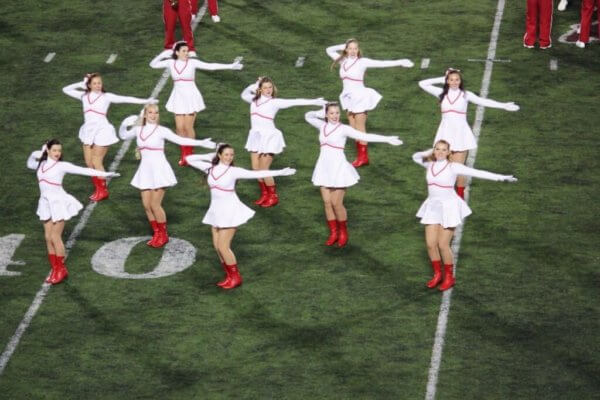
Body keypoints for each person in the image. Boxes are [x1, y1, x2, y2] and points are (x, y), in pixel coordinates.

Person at [186, 144, 296, 289]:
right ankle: (229, 276)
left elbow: (257, 174)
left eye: (232, 155)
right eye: (226, 154)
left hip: (230, 211)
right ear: (219, 155)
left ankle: (235, 277)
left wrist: (280, 172)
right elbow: (189, 158)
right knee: (217, 247)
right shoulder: (209, 168)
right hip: (216, 211)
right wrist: (208, 155)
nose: (229, 157)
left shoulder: (234, 171)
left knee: (223, 247)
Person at [412, 140, 517, 291]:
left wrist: (501, 177)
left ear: (449, 152)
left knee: (443, 245)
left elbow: (478, 173)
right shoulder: (429, 164)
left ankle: (449, 277)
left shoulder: (453, 167)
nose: (440, 152)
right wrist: (429, 151)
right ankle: (437, 275)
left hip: (449, 207)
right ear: (434, 150)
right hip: (433, 206)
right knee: (430, 244)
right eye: (437, 149)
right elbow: (415, 157)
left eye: (444, 150)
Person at [304, 103, 403, 248]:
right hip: (324, 168)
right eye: (331, 113)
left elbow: (364, 135)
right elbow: (308, 116)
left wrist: (387, 139)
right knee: (327, 202)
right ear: (326, 115)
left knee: (336, 203)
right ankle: (333, 233)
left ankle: (343, 231)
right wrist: (320, 111)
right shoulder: (322, 126)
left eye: (337, 113)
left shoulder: (344, 129)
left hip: (338, 169)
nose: (335, 116)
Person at [118, 105, 216, 248]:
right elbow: (123, 135)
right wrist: (123, 125)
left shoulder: (162, 131)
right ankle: (156, 233)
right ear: (144, 115)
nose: (153, 115)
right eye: (150, 112)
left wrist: (200, 142)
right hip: (145, 170)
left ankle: (163, 235)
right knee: (146, 205)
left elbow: (181, 140)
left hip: (159, 170)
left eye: (156, 113)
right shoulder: (138, 130)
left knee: (154, 204)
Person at [26, 139, 120, 285]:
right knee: (47, 237)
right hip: (45, 203)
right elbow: (30, 162)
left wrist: (106, 174)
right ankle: (55, 268)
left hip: (58, 203)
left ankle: (61, 269)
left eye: (59, 150)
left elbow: (83, 171)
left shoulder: (61, 166)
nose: (58, 153)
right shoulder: (41, 165)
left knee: (55, 236)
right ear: (48, 151)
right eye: (54, 150)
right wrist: (36, 153)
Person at [418, 69, 519, 199]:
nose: (454, 82)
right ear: (447, 81)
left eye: (457, 80)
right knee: (442, 167)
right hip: (444, 134)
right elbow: (422, 83)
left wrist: (503, 105)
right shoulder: (441, 93)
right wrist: (441, 78)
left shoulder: (466, 95)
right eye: (451, 79)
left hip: (460, 134)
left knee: (459, 168)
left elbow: (483, 101)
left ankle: (459, 196)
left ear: (460, 81)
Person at [62, 73, 156, 201]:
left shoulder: (106, 97)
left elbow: (125, 98)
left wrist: (145, 101)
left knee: (96, 161)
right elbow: (65, 89)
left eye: (99, 83)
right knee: (89, 164)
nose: (97, 86)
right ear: (89, 85)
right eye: (94, 83)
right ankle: (98, 189)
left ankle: (102, 191)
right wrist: (80, 84)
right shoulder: (84, 96)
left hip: (102, 131)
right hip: (88, 131)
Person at [150, 42, 243, 166]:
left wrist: (231, 66)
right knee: (179, 128)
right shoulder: (171, 62)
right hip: (178, 96)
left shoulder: (192, 62)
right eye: (183, 51)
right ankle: (184, 154)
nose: (186, 53)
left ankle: (188, 156)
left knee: (188, 127)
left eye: (187, 50)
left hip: (191, 97)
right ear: (177, 52)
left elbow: (211, 66)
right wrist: (163, 54)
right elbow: (153, 64)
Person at [326, 39, 413, 167]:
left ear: (358, 49)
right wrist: (344, 44)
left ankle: (363, 158)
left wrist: (400, 62)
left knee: (360, 128)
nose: (353, 51)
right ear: (346, 49)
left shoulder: (362, 62)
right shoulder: (342, 61)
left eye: (355, 48)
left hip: (360, 97)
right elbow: (328, 50)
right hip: (348, 98)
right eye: (350, 48)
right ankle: (360, 157)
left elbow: (382, 63)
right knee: (353, 129)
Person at [241, 77, 326, 207]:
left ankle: (273, 196)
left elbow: (295, 102)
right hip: (255, 137)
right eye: (265, 87)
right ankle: (264, 194)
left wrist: (314, 101)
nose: (269, 90)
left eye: (270, 87)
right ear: (260, 89)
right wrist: (254, 84)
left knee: (264, 169)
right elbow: (244, 94)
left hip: (269, 137)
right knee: (256, 168)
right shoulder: (253, 100)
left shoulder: (274, 102)